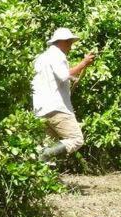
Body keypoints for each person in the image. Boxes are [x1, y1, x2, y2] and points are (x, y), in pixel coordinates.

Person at [32, 27, 95, 162]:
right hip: (56, 107)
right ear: (63, 41)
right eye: (70, 43)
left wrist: (73, 77)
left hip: (41, 108)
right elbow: (64, 75)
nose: (70, 47)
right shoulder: (57, 55)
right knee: (76, 139)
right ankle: (45, 155)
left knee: (48, 143)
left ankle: (43, 176)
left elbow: (54, 78)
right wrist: (83, 63)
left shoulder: (42, 57)